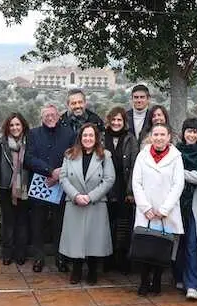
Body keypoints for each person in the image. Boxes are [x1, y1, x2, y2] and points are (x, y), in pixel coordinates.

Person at [132, 122, 185, 296]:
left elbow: (178, 184)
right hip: (146, 210)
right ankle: (144, 281)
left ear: (169, 137)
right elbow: (136, 182)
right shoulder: (143, 155)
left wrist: (164, 209)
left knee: (162, 247)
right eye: (156, 134)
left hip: (165, 211)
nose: (159, 138)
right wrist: (145, 207)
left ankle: (157, 281)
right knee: (146, 247)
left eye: (163, 135)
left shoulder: (176, 157)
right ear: (151, 137)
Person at [59, 123, 116, 284]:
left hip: (95, 203)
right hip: (74, 202)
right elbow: (63, 178)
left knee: (94, 239)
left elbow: (109, 179)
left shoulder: (105, 156)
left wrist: (90, 197)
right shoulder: (69, 155)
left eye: (91, 135)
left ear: (96, 138)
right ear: (80, 137)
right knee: (76, 239)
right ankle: (76, 270)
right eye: (85, 135)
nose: (88, 138)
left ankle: (92, 271)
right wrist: (76, 195)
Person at [25, 104, 77, 273]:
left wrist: (58, 175)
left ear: (58, 116)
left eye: (53, 114)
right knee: (37, 225)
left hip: (62, 186)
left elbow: (73, 157)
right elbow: (29, 158)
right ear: (42, 117)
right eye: (46, 115)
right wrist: (50, 171)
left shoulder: (69, 134)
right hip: (40, 185)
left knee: (59, 225)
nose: (50, 117)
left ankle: (60, 258)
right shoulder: (33, 134)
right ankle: (39, 258)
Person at [172, 120, 197, 301]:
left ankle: (193, 285)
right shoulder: (174, 151)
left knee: (193, 245)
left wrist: (178, 172)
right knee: (177, 244)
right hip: (175, 204)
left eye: (196, 132)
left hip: (195, 205)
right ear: (183, 132)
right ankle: (179, 277)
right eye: (189, 131)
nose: (192, 135)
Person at [103, 106, 139, 273]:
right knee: (106, 224)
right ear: (109, 121)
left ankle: (122, 259)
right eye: (114, 120)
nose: (116, 123)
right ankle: (107, 259)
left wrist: (131, 191)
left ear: (124, 122)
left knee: (123, 225)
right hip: (105, 187)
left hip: (124, 186)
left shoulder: (130, 139)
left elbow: (134, 166)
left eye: (120, 120)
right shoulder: (102, 137)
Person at [0, 112, 31, 266]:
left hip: (24, 186)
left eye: (18, 124)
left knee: (22, 222)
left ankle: (21, 253)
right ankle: (7, 253)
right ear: (7, 127)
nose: (15, 127)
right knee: (8, 221)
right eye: (12, 125)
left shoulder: (30, 143)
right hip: (5, 187)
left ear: (23, 126)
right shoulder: (1, 143)